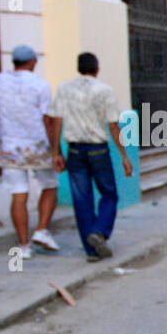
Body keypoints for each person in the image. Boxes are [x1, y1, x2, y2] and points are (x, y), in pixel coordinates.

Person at [0, 44, 63, 259]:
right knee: (50, 186)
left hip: (9, 146)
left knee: (19, 193)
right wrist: (57, 151)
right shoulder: (40, 84)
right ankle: (42, 230)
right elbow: (48, 119)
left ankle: (24, 246)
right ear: (33, 62)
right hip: (37, 145)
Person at [52, 52, 131, 262]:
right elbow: (114, 125)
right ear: (97, 69)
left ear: (78, 68)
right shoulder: (105, 90)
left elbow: (57, 121)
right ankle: (100, 231)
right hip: (98, 150)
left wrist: (56, 152)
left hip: (75, 150)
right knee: (109, 193)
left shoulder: (64, 89)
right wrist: (124, 155)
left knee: (82, 199)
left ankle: (91, 250)